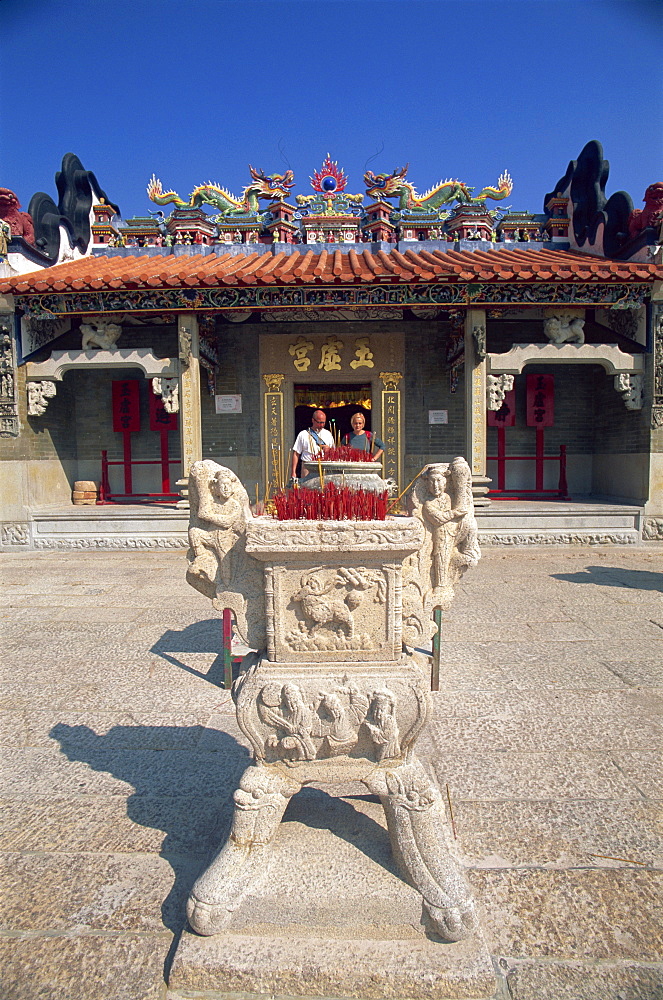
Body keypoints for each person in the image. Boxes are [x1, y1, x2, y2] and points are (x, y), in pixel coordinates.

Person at [290, 409, 334, 481]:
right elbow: (296, 453)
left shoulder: (328, 434)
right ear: (313, 420)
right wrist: (293, 472)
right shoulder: (303, 434)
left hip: (324, 466)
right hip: (307, 467)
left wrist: (329, 450)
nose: (322, 425)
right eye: (319, 422)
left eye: (323, 422)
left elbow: (334, 452)